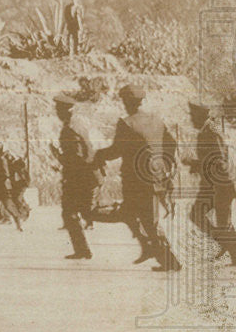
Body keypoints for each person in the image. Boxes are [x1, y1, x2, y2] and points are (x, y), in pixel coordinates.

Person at [93, 84, 182, 272]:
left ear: (126, 102)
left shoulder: (126, 123)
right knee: (141, 217)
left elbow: (116, 150)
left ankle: (166, 258)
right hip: (157, 178)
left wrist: (99, 155)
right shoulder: (156, 120)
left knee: (143, 219)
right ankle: (154, 252)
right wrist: (163, 165)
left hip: (136, 181)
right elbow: (171, 144)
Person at [186, 99, 236, 267]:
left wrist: (195, 164)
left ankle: (235, 251)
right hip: (216, 185)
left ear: (200, 116)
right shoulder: (210, 130)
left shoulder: (210, 133)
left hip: (219, 186)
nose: (191, 119)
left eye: (192, 116)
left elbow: (218, 161)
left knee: (213, 220)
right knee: (215, 220)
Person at [50, 94, 98, 259]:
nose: (57, 112)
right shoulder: (78, 126)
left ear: (66, 111)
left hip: (79, 177)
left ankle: (82, 250)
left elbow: (76, 157)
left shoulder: (69, 129)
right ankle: (82, 250)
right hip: (84, 175)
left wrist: (58, 156)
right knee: (77, 212)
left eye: (59, 109)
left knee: (78, 212)